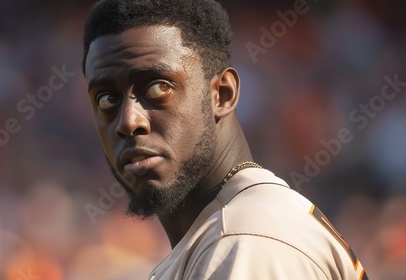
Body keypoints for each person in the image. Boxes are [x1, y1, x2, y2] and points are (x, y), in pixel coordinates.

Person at [81, 0, 368, 279]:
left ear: (222, 94)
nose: (129, 121)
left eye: (157, 87)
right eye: (107, 98)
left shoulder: (245, 239)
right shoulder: (227, 232)